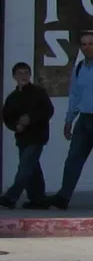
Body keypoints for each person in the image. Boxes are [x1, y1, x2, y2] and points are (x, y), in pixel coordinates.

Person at [46, 30, 93, 210]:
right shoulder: (79, 67)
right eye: (83, 44)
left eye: (90, 44)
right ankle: (63, 197)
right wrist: (69, 119)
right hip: (84, 119)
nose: (87, 47)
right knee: (73, 158)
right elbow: (75, 95)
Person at [0, 62, 53, 209]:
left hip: (37, 137)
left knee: (24, 168)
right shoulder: (12, 98)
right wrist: (16, 126)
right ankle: (38, 199)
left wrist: (31, 118)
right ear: (14, 77)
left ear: (30, 75)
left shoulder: (39, 92)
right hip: (22, 138)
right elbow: (7, 117)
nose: (23, 76)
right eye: (19, 73)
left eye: (26, 73)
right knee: (32, 167)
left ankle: (10, 197)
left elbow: (48, 110)